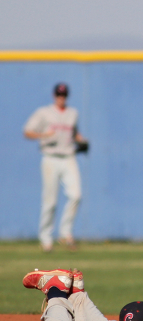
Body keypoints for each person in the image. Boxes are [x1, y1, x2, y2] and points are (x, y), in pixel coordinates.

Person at [23, 83, 89, 252]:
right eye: (59, 95)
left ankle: (65, 233)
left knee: (76, 195)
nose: (62, 98)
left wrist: (82, 140)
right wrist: (44, 135)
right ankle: (46, 239)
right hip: (50, 157)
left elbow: (74, 134)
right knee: (50, 201)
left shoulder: (72, 113)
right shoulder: (44, 113)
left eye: (64, 95)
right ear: (54, 96)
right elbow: (27, 131)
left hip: (68, 157)